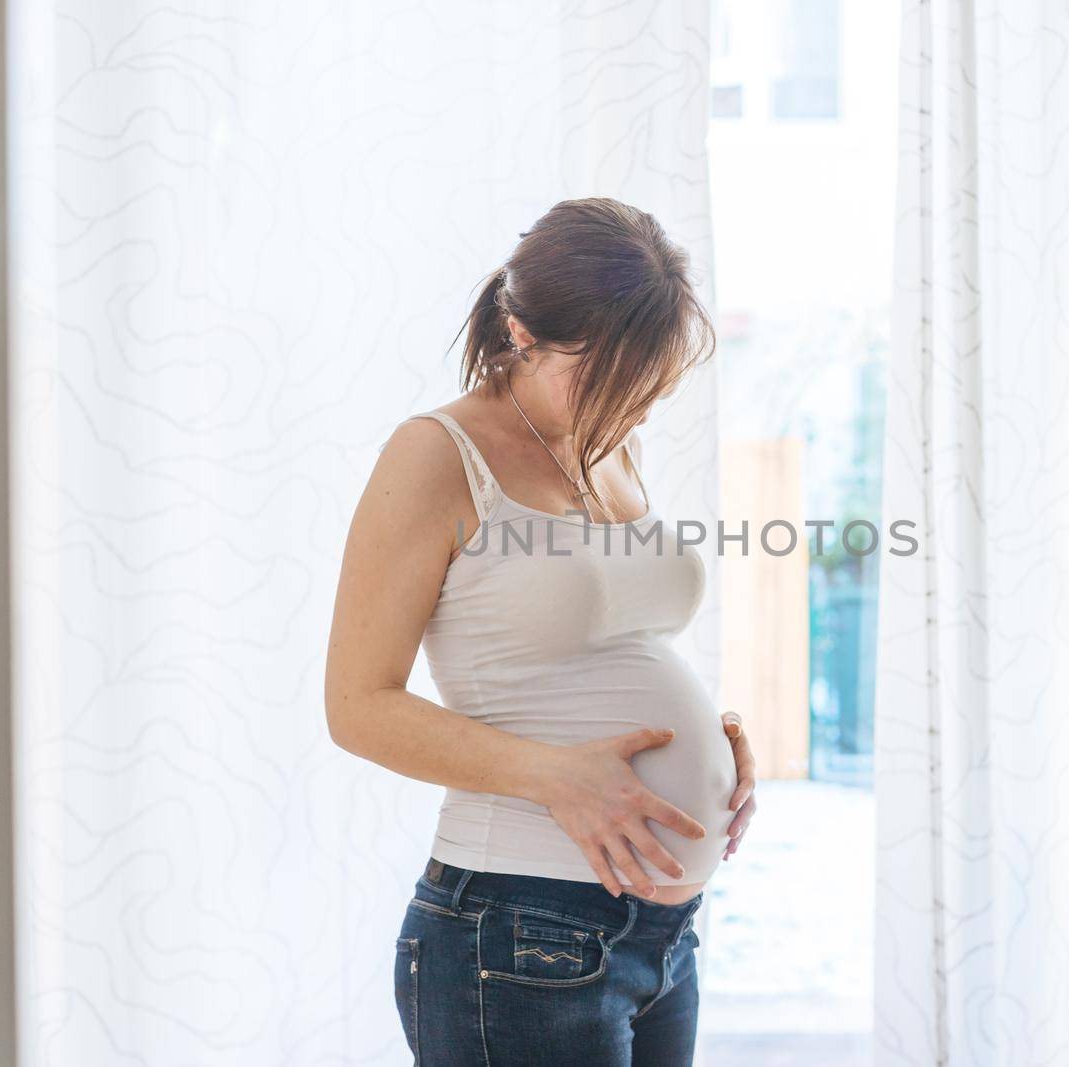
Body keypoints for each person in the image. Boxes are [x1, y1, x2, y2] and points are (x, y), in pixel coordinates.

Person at [324, 197, 758, 1066]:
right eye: (608, 380)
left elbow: (597, 642)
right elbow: (356, 706)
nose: (633, 408)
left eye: (650, 385)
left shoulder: (609, 442)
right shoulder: (438, 455)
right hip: (519, 932)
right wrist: (557, 776)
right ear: (520, 333)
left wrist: (714, 741)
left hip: (664, 937)